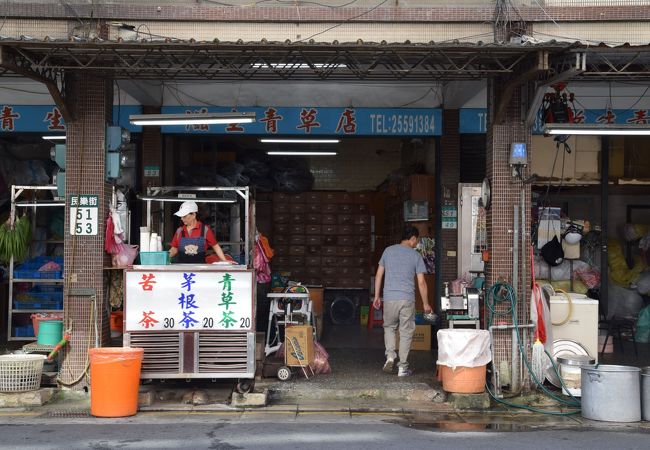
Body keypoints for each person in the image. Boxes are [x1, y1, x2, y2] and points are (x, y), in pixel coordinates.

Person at [373, 225, 432, 377]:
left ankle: (391, 355)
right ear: (412, 238)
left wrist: (377, 296)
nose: (416, 243)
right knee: (405, 332)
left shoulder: (388, 251)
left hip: (390, 297)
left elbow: (379, 274)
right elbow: (421, 283)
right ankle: (403, 367)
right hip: (407, 299)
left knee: (389, 327)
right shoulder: (415, 256)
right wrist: (425, 304)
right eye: (416, 240)